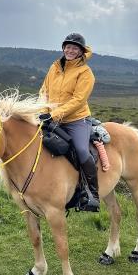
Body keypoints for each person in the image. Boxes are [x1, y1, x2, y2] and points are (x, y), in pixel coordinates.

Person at [39, 33, 99, 212]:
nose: (70, 50)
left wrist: (55, 114)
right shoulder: (54, 67)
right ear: (63, 48)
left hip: (76, 120)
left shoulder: (85, 73)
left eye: (75, 48)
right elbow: (44, 90)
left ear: (82, 51)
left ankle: (92, 194)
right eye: (67, 47)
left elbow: (78, 100)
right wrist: (44, 111)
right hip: (51, 117)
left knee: (81, 150)